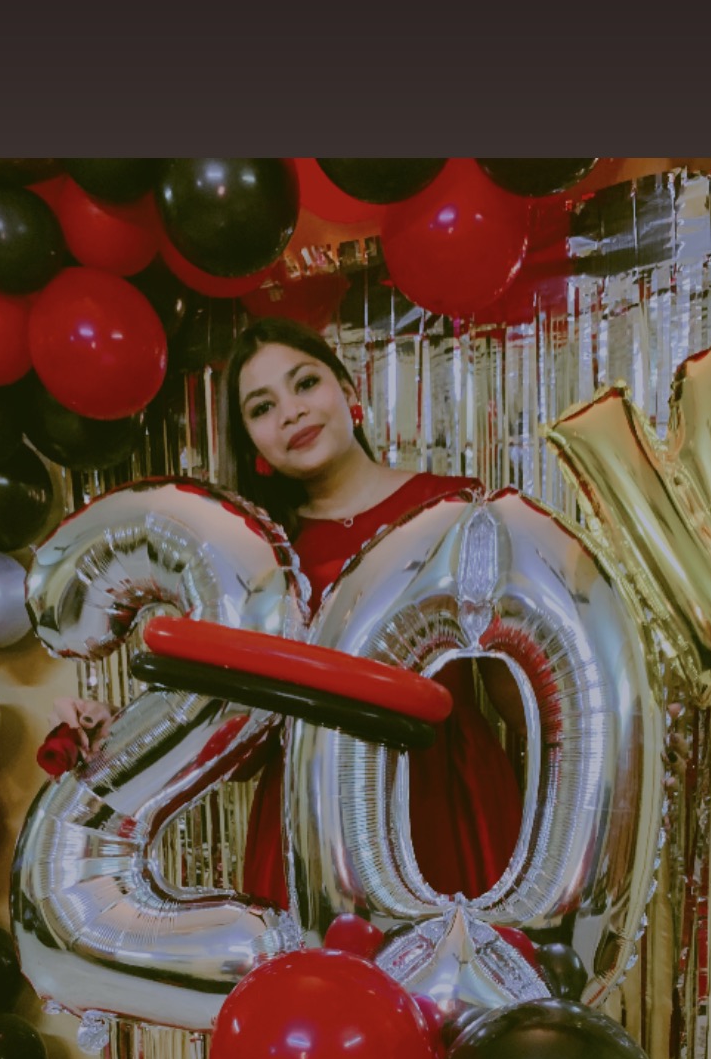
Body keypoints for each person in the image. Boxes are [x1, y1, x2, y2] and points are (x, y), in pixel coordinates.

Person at [224, 319, 523, 909]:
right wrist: (112, 736)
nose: (290, 412)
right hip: (313, 815)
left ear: (348, 391)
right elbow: (242, 746)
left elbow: (510, 678)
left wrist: (611, 739)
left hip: (447, 799)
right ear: (253, 445)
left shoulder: (456, 508)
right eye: (262, 407)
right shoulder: (257, 555)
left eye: (305, 383)